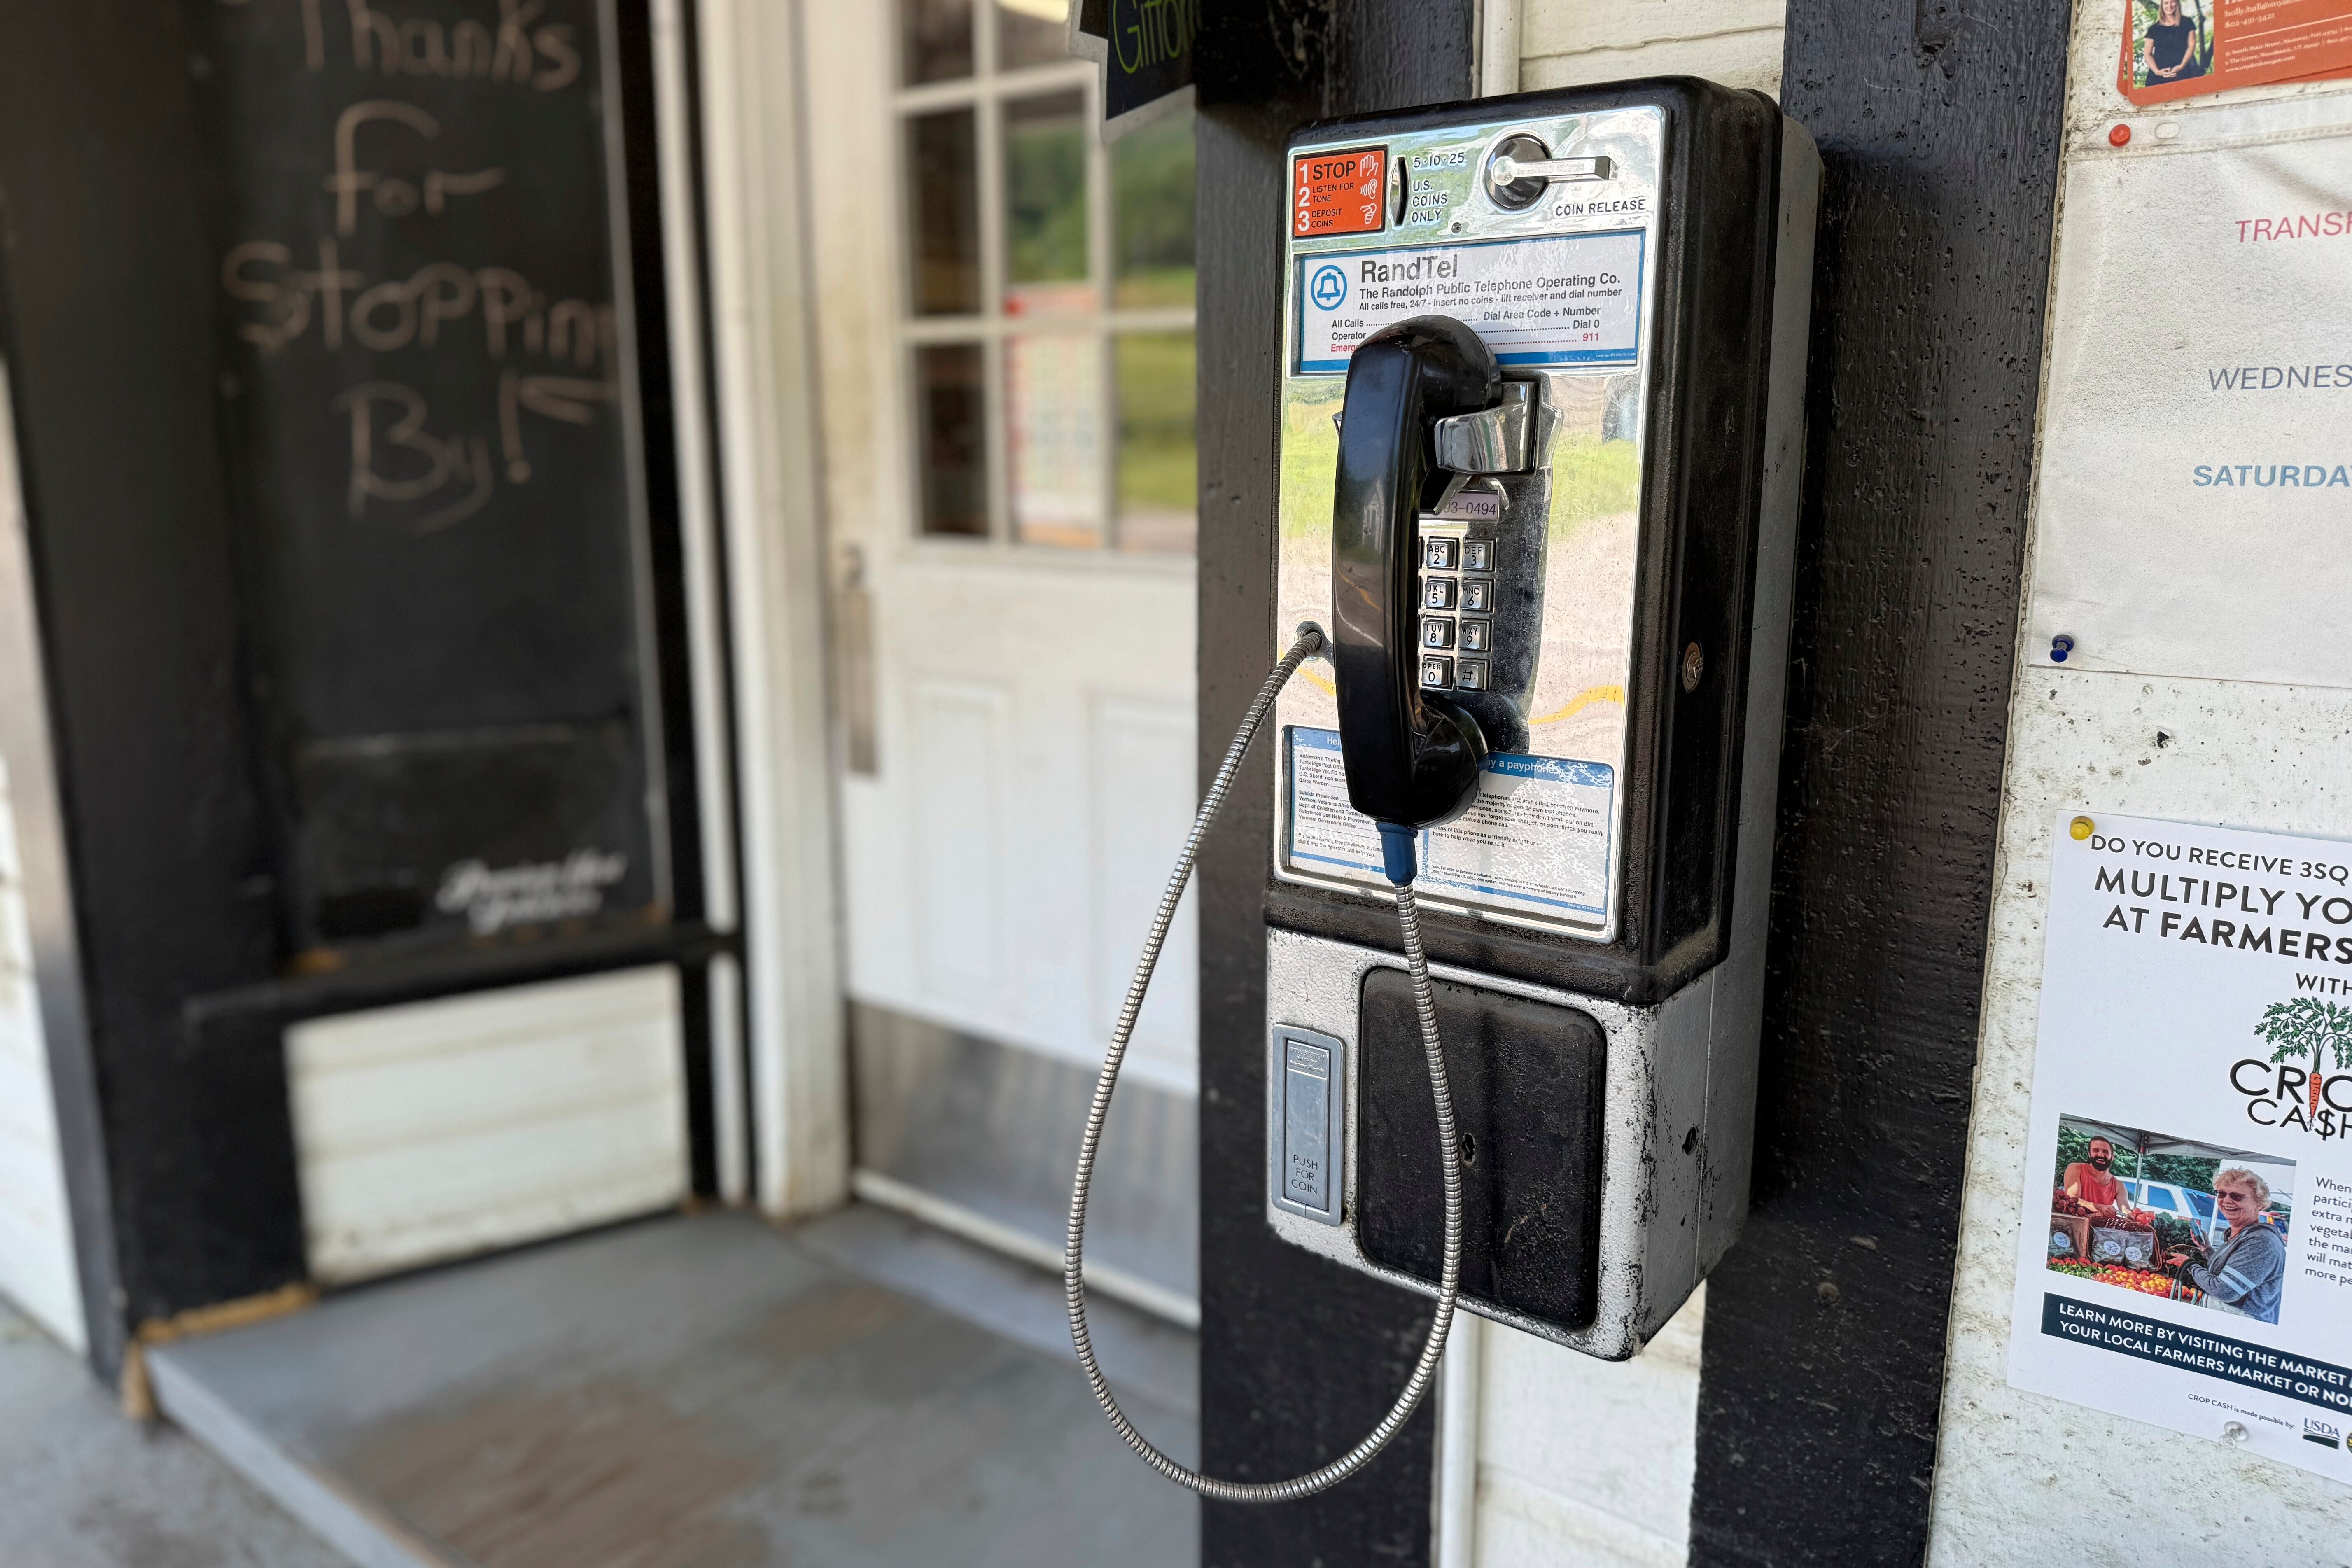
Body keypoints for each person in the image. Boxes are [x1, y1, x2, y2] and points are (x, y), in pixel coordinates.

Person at [2167, 1168, 2284, 1324]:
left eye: (2237, 1197)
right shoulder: (2241, 1234)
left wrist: (2189, 1264)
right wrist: (2207, 1250)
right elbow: (2228, 1271)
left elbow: (2224, 1290)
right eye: (2222, 1194)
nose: (2227, 1200)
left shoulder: (2262, 1243)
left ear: (2259, 1204)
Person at [2140, 0, 2207, 86]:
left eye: (2173, 2)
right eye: (2166, 3)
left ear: (2177, 3)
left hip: (2184, 73)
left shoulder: (2187, 23)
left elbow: (2192, 46)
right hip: (2158, 77)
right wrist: (2157, 72)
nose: (2170, 6)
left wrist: (2181, 66)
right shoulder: (2154, 29)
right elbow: (2147, 54)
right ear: (2162, 5)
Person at [2063, 1136, 2130, 1216]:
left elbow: (2126, 1210)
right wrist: (2099, 1207)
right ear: (2089, 1154)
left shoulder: (2119, 1185)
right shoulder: (2076, 1168)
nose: (2101, 1155)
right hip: (2075, 1224)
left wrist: (2137, 1216)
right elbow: (2072, 1200)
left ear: (2112, 1157)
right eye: (2096, 1151)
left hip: (2099, 1226)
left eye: (2106, 1152)